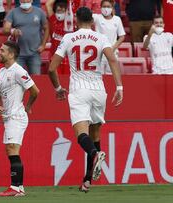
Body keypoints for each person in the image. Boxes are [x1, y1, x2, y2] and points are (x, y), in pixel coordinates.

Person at [48, 7, 123, 192]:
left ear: (76, 20)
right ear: (92, 21)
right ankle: (87, 180)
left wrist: (58, 88)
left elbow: (51, 68)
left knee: (81, 134)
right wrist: (119, 87)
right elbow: (113, 60)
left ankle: (95, 154)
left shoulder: (68, 38)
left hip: (79, 90)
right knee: (95, 136)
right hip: (99, 90)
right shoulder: (101, 38)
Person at [0, 41, 39, 197]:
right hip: (8, 117)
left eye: (2, 50)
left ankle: (15, 188)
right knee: (10, 149)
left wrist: (27, 106)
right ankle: (19, 188)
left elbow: (35, 91)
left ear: (11, 54)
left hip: (17, 116)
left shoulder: (19, 71)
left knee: (13, 148)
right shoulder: (1, 72)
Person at [4, 0, 50, 74]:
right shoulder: (13, 12)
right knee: (16, 79)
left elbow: (46, 28)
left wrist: (43, 45)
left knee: (36, 79)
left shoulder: (39, 12)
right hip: (17, 53)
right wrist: (13, 31)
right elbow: (5, 29)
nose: (25, 1)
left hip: (34, 53)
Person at [93, 0, 125, 74]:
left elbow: (122, 36)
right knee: (98, 75)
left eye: (108, 6)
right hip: (99, 53)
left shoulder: (117, 19)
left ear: (112, 8)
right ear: (100, 7)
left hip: (112, 52)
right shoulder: (97, 17)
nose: (106, 8)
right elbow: (85, 18)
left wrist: (113, 48)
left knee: (111, 76)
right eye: (104, 6)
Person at [46, 0, 70, 74]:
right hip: (55, 56)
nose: (60, 13)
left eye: (63, 11)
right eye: (58, 11)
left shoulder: (70, 22)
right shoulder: (53, 19)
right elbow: (48, 4)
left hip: (68, 58)